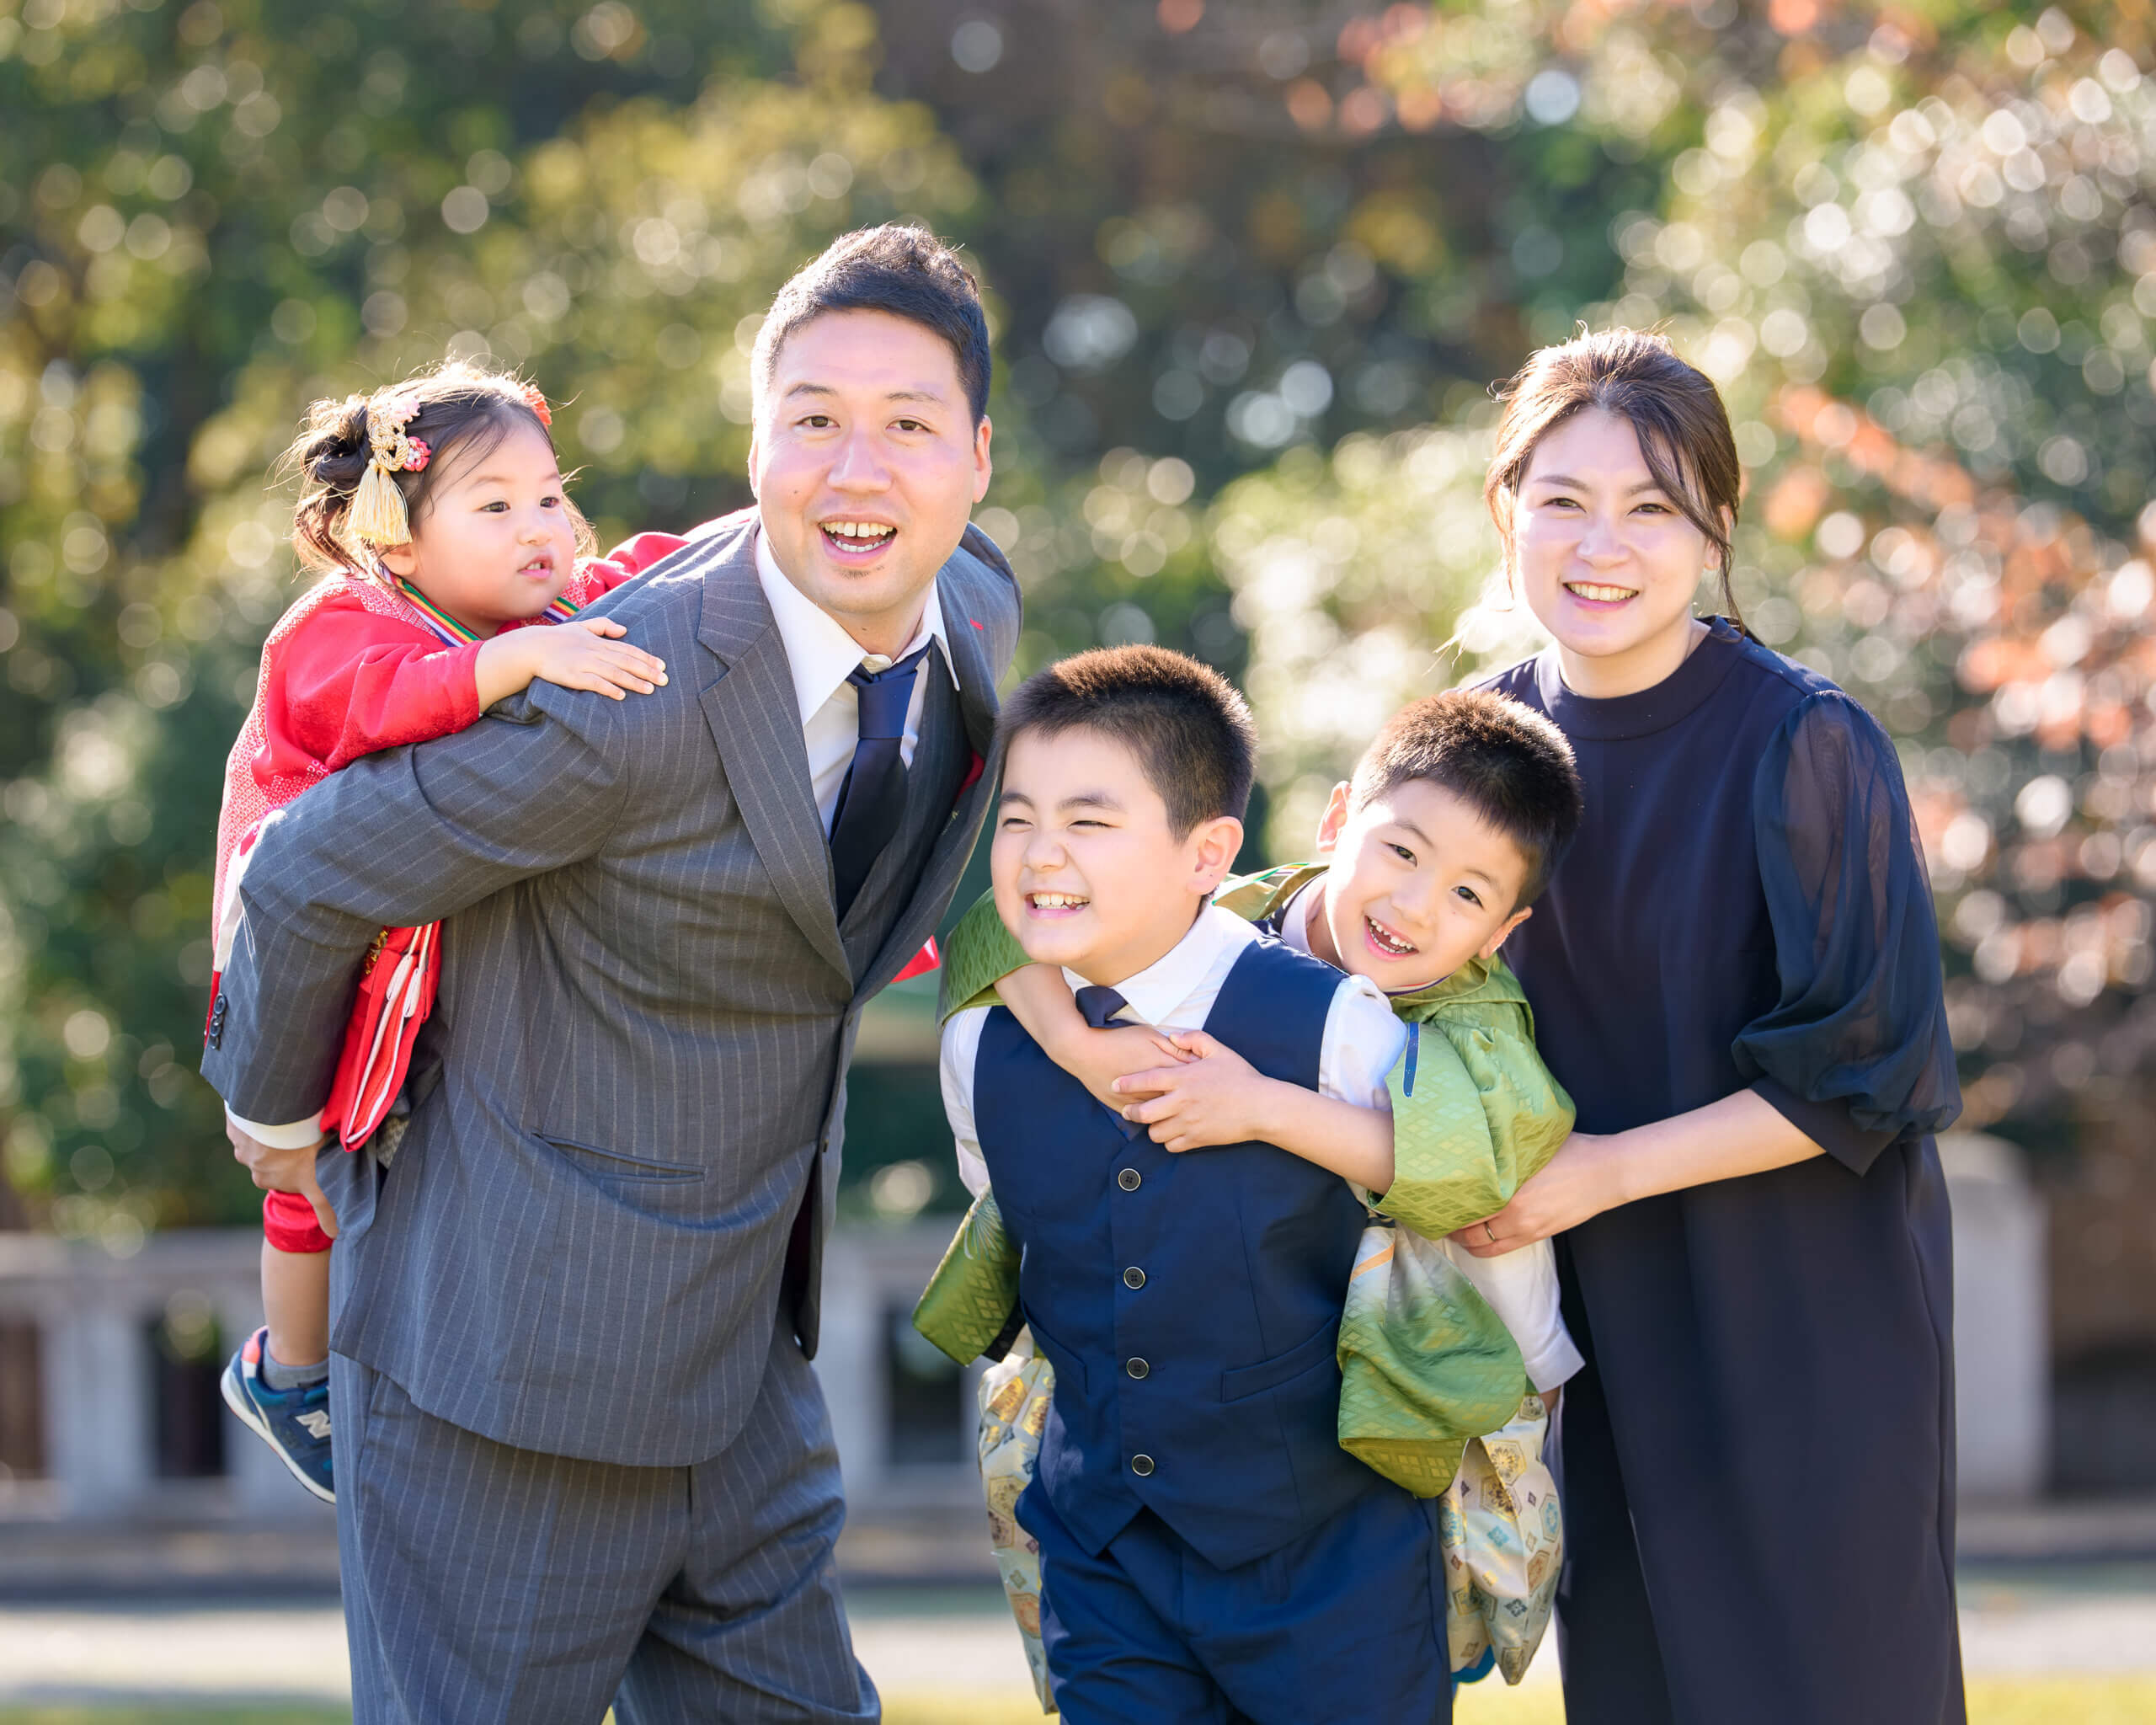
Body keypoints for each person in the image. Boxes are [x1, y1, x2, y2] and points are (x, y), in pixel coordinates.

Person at [200, 224, 1020, 1724]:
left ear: (978, 453)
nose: (859, 472)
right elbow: (306, 869)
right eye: (812, 422)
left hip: (740, 1371)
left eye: (908, 426)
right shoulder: (613, 700)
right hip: (496, 1372)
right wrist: (275, 1113)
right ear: (755, 441)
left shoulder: (973, 612)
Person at [1454, 328, 1964, 1724]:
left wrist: (1604, 1168)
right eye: (1562, 498)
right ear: (1508, 510)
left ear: (1714, 527)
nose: (1600, 543)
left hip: (1809, 1330)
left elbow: (1867, 1071)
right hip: (1601, 1351)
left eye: (1651, 505)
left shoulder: (1805, 742)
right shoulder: (1475, 749)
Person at [937, 644, 1466, 1724]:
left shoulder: (1330, 1024)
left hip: (1331, 1560)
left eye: (1089, 821)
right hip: (1103, 1552)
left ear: (1207, 850)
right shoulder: (981, 1046)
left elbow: (1462, 1225)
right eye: (1019, 817)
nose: (1041, 854)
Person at [210, 361, 675, 1503]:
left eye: (551, 497)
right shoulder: (337, 629)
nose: (542, 529)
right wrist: (516, 660)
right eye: (496, 504)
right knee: (303, 1175)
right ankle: (287, 1372)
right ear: (399, 541)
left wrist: (721, 552)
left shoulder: (533, 618)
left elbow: (627, 579)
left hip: (418, 950)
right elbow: (383, 706)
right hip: (300, 952)